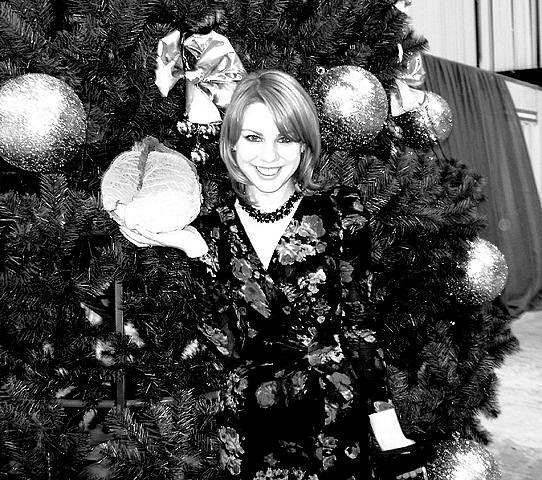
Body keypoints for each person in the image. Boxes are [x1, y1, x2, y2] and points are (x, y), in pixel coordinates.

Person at [120, 70, 428, 480]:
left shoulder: (341, 213)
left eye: (285, 139)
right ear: (231, 143)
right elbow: (229, 347)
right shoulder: (211, 230)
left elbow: (359, 328)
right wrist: (195, 250)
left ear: (304, 145)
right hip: (249, 426)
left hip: (331, 421)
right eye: (253, 137)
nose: (269, 156)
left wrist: (390, 434)